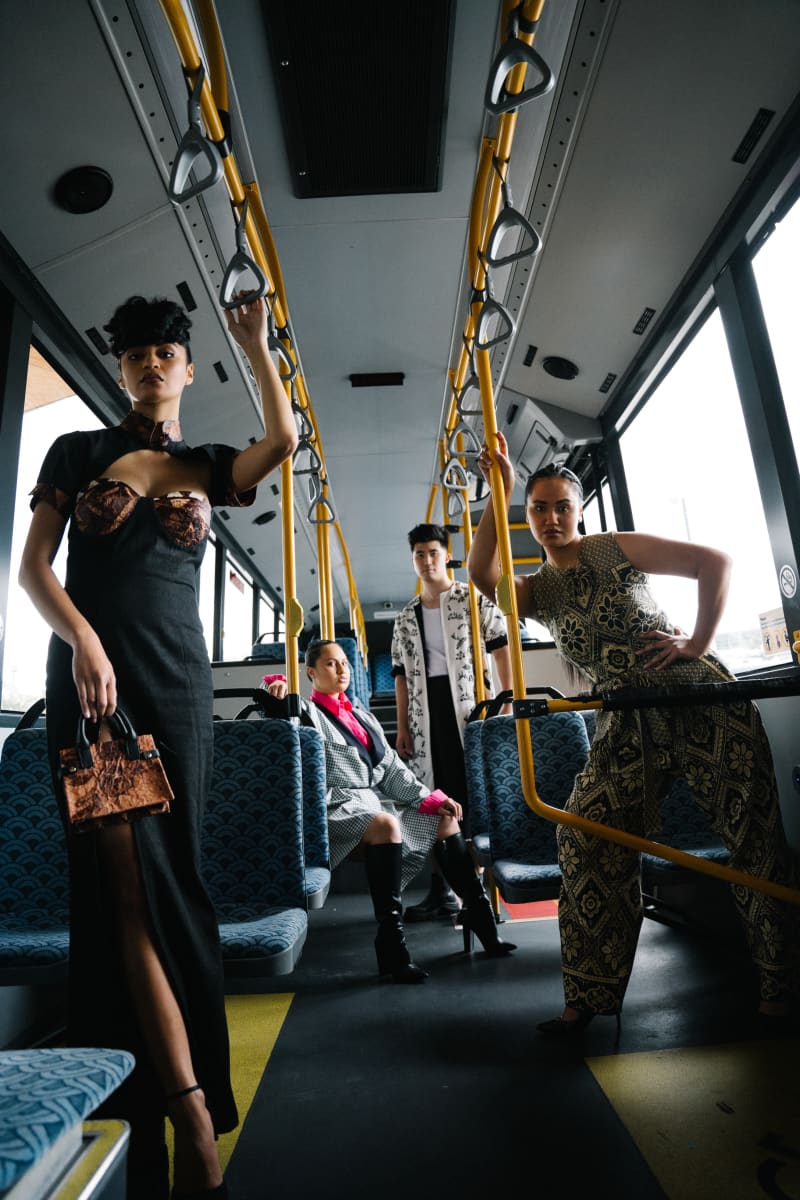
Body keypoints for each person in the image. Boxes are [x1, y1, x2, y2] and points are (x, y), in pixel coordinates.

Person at [19, 293, 297, 1198]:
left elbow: (283, 443)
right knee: (124, 887)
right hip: (94, 693)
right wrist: (84, 645)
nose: (149, 363)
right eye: (134, 352)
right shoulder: (80, 452)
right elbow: (31, 570)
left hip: (177, 690)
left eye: (164, 352)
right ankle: (189, 1117)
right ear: (124, 367)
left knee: (172, 880)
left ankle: (185, 1104)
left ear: (185, 366)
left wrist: (255, 345)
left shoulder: (206, 464)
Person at [468, 433, 798, 1035]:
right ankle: (586, 997)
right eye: (538, 508)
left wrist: (696, 642)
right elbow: (481, 573)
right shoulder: (538, 593)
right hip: (625, 716)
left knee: (753, 837)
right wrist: (497, 495)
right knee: (585, 838)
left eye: (562, 506)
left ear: (581, 510)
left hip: (698, 698)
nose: (550, 518)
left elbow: (713, 562)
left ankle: (779, 982)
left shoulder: (611, 547)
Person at [264, 640, 515, 981]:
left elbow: (393, 769)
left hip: (370, 802)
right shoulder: (306, 713)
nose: (341, 670)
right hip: (333, 806)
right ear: (310, 672)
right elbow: (285, 722)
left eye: (344, 664)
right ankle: (391, 945)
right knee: (386, 824)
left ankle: (478, 915)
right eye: (330, 664)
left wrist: (429, 798)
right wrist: (275, 692)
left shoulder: (363, 717)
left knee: (443, 819)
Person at [391, 522, 513, 921]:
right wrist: (403, 727)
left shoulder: (472, 599)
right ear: (412, 561)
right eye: (419, 555)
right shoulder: (406, 618)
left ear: (446, 555)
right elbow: (401, 676)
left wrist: (506, 698)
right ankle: (442, 888)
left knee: (472, 793)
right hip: (426, 714)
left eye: (432, 553)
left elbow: (500, 647)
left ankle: (477, 894)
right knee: (432, 796)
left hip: (471, 708)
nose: (426, 561)